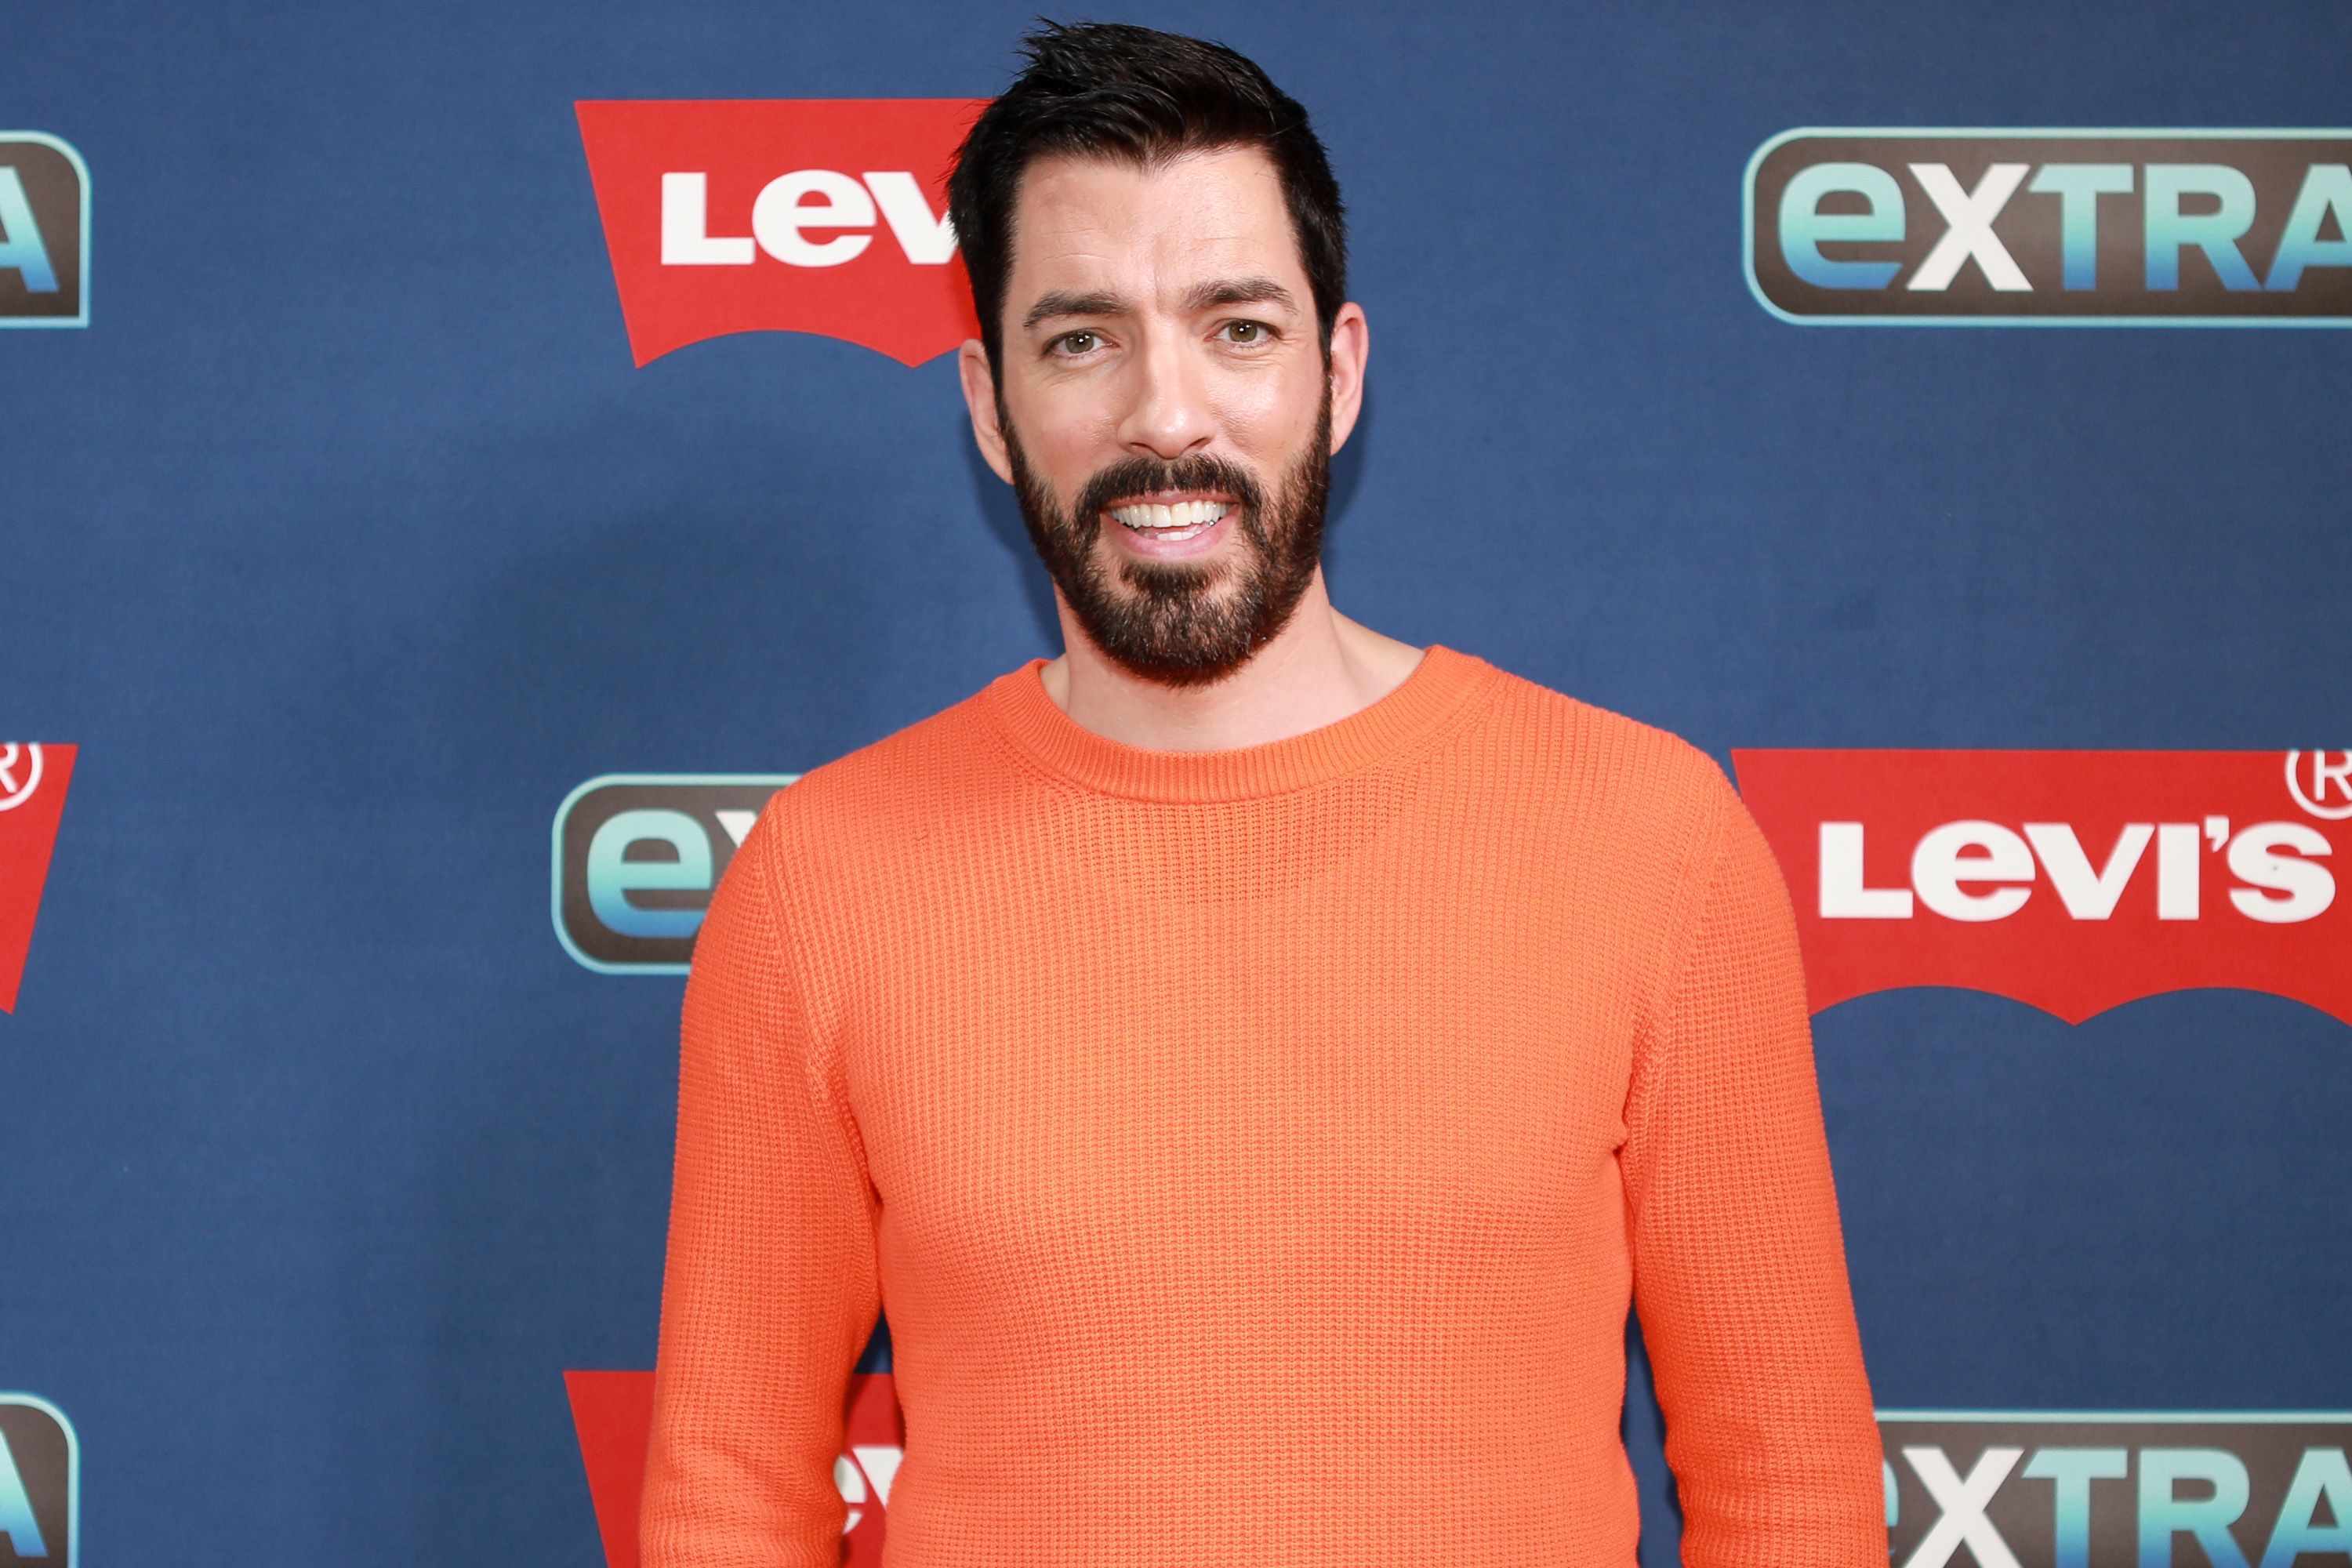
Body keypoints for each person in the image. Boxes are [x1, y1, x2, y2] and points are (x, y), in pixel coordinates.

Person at [640, 20, 1886, 1566]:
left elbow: (1789, 1486)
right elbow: (730, 1492)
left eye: (1235, 327)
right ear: (985, 400)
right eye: (1082, 338)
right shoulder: (824, 879)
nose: (1168, 414)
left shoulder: (1649, 838)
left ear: (1338, 370)